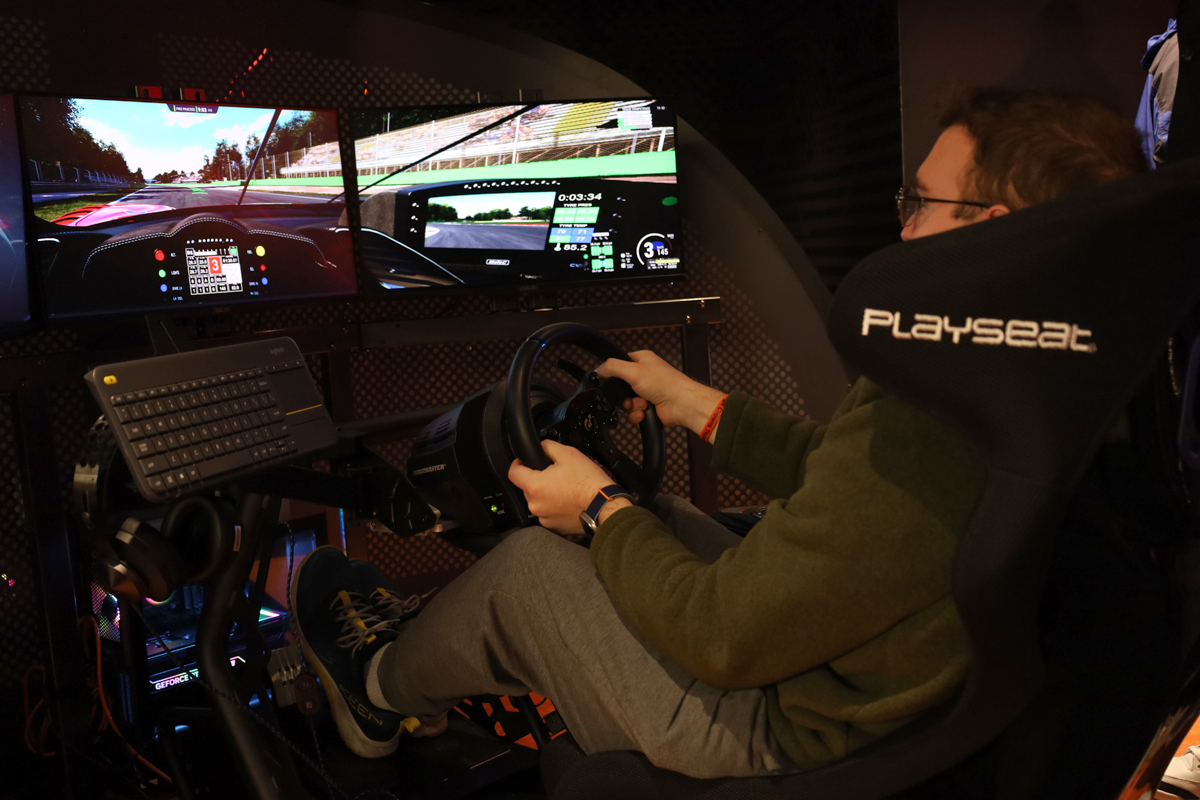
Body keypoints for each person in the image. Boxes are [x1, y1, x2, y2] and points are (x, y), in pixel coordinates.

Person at [289, 86, 1147, 776]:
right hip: (868, 689)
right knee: (654, 523)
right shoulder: (1024, 391)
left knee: (527, 570)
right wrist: (701, 407)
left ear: (990, 233)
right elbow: (844, 479)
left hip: (784, 734)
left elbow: (722, 636)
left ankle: (375, 689)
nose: (901, 225)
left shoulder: (940, 415)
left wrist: (598, 509)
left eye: (921, 203)